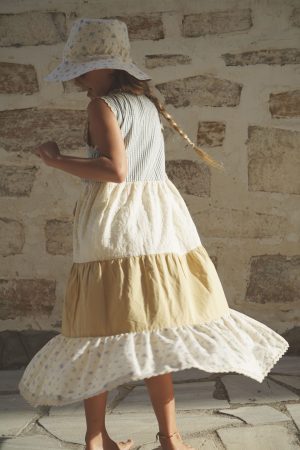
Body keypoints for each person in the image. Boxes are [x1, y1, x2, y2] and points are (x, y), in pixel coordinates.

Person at [18, 17, 289, 450]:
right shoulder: (144, 104)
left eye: (85, 69)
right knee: (153, 330)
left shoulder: (102, 106)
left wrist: (54, 159)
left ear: (108, 67)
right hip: (158, 223)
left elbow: (115, 171)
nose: (79, 79)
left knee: (98, 330)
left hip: (115, 227)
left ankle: (96, 439)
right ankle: (170, 438)